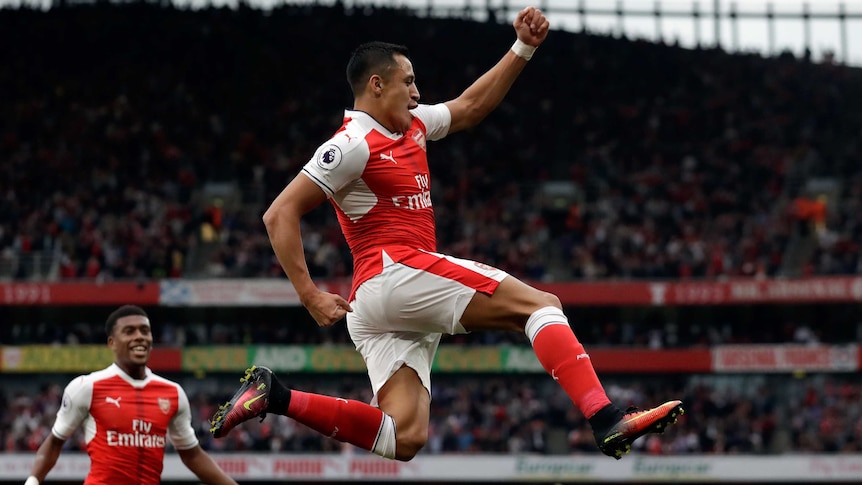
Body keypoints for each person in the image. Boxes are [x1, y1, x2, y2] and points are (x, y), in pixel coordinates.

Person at [210, 6, 683, 461]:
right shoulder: (351, 144)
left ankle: (274, 396)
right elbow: (279, 214)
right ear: (376, 85)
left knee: (405, 436)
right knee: (540, 305)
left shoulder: (412, 126)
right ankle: (605, 417)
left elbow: (472, 105)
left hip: (378, 305)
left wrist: (523, 47)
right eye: (408, 81)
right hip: (392, 273)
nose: (417, 92)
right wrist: (310, 295)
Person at [24, 305, 238, 485]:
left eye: (145, 331)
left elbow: (192, 455)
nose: (139, 337)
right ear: (112, 343)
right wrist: (32, 481)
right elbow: (54, 442)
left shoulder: (173, 393)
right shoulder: (87, 387)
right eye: (129, 331)